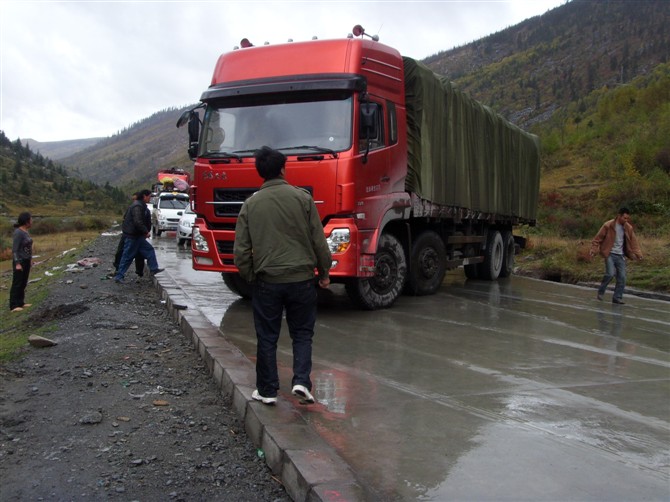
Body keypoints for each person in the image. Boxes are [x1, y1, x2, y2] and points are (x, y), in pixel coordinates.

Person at [233, 146, 332, 405]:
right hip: (302, 280)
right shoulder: (303, 199)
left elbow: (241, 250)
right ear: (282, 169)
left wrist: (251, 276)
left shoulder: (250, 204)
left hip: (268, 281)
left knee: (267, 336)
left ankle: (267, 391)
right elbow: (318, 241)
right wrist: (324, 272)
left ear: (260, 173)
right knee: (302, 333)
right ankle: (301, 381)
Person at [590, 207, 643, 304]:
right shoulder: (608, 225)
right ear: (619, 216)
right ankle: (601, 292)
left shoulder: (628, 228)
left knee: (622, 277)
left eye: (627, 218)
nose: (626, 220)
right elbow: (597, 239)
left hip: (620, 255)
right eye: (624, 218)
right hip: (609, 253)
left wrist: (638, 254)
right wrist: (594, 250)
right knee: (610, 274)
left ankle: (617, 297)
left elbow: (634, 242)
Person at [113, 189, 164, 284]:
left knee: (149, 250)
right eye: (149, 196)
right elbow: (138, 221)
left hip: (137, 236)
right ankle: (119, 276)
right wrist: (145, 231)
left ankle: (153, 268)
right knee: (127, 256)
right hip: (133, 236)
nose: (150, 198)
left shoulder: (140, 206)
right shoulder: (137, 206)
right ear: (144, 196)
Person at [113, 193, 146, 278]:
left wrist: (145, 231)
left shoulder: (141, 208)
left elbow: (141, 222)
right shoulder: (132, 208)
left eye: (135, 199)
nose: (134, 201)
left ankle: (138, 271)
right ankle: (118, 270)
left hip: (135, 235)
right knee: (122, 252)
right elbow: (126, 219)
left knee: (132, 254)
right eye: (133, 200)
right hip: (128, 234)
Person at [10, 212, 34, 312]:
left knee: (23, 282)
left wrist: (30, 259)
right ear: (26, 221)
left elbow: (28, 247)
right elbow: (15, 250)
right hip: (20, 261)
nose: (32, 221)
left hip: (26, 260)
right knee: (17, 283)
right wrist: (18, 264)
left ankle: (21, 302)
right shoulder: (18, 233)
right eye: (31, 219)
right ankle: (14, 305)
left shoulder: (25, 232)